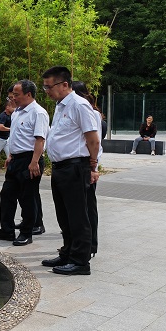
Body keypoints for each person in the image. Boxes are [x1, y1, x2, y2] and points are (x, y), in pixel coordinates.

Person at [42, 66, 100, 275]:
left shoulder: (79, 105)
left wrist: (92, 166)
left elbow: (93, 140)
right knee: (64, 215)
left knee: (78, 216)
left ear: (64, 84)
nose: (47, 91)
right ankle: (67, 252)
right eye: (45, 87)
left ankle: (80, 261)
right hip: (60, 168)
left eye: (49, 87)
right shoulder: (60, 105)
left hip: (75, 167)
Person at [0, 80, 49, 246]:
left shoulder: (38, 113)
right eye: (12, 95)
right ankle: (7, 230)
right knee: (7, 194)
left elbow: (40, 139)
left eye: (16, 95)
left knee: (27, 197)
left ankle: (26, 233)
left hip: (30, 160)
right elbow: (16, 136)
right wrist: (11, 155)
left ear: (28, 94)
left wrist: (34, 161)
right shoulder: (16, 113)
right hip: (15, 159)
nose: (13, 98)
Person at [73, 81, 103, 257]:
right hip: (79, 166)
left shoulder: (92, 113)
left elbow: (95, 143)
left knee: (88, 207)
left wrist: (94, 168)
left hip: (88, 166)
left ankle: (91, 245)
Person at [0, 96, 15, 161]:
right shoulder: (3, 116)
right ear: (7, 107)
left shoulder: (11, 115)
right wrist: (11, 129)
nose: (14, 109)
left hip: (7, 139)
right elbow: (0, 127)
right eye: (12, 107)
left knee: (11, 155)